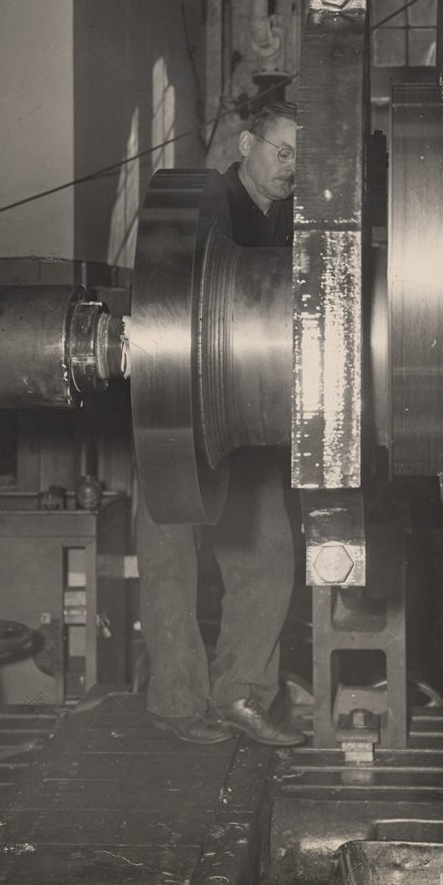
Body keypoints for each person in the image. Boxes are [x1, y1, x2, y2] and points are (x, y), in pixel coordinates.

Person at [135, 102, 305, 746]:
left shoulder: (300, 221)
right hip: (173, 403)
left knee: (267, 556)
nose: (291, 167)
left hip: (254, 415)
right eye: (282, 150)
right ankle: (176, 704)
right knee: (170, 557)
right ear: (245, 145)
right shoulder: (205, 209)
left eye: (300, 156)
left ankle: (241, 696)